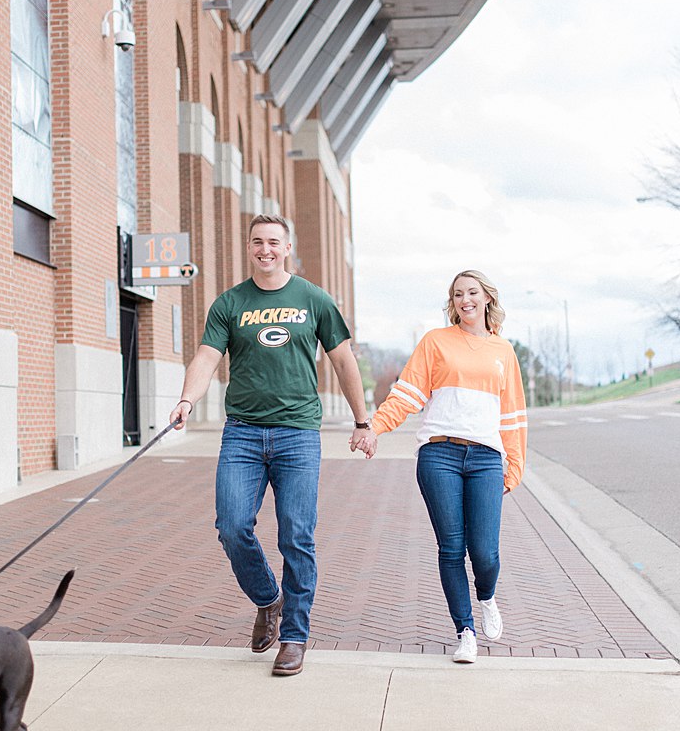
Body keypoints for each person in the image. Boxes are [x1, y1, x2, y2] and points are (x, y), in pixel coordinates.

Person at [170, 214, 374, 677]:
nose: (265, 249)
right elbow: (207, 356)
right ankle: (268, 598)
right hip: (242, 433)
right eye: (257, 242)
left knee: (296, 537)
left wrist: (363, 421)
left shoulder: (313, 299)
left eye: (273, 242)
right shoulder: (231, 303)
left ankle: (295, 637)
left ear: (287, 248)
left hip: (298, 435)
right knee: (231, 525)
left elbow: (343, 359)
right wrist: (187, 399)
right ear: (249, 247)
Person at [358, 269, 527, 663]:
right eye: (457, 295)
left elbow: (513, 415)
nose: (464, 299)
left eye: (472, 292)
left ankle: (485, 596)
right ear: (452, 303)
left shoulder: (503, 351)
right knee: (451, 547)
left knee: (484, 553)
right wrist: (375, 428)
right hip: (439, 456)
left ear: (487, 298)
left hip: (486, 457)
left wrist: (514, 463)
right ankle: (465, 631)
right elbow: (407, 393)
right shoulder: (435, 342)